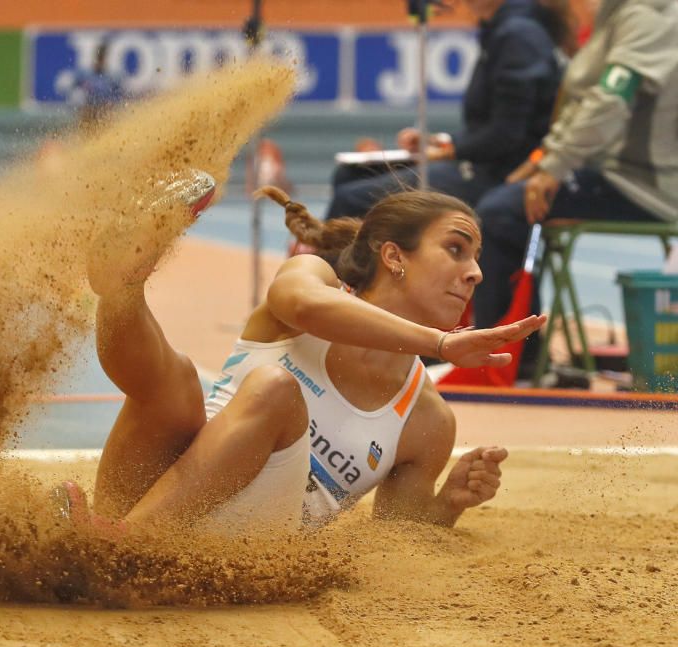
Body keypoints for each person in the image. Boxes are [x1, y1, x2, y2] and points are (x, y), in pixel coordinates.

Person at [61, 170, 545, 535]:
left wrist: (450, 504)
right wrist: (440, 344)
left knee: (276, 390)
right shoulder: (311, 276)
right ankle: (123, 289)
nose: (476, 272)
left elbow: (399, 538)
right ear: (394, 256)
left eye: (477, 258)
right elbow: (303, 306)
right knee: (179, 383)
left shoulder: (428, 418)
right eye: (457, 250)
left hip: (240, 557)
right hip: (156, 494)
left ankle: (122, 547)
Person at [472, 0, 678, 337]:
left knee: (501, 213)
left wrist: (554, 167)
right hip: (605, 170)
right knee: (497, 197)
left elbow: (610, 101)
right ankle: (510, 347)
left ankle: (509, 356)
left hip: (640, 184)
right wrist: (542, 159)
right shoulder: (616, 14)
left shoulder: (648, 17)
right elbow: (581, 101)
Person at [325, 0, 567, 220]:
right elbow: (488, 127)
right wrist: (441, 142)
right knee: (350, 174)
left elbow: (507, 135)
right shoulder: (500, 31)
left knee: (351, 199)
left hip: (498, 175)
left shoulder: (518, 35)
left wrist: (447, 152)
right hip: (482, 163)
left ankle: (327, 268)